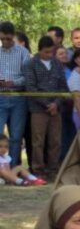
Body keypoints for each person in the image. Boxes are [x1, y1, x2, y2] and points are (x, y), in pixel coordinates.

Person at [22, 35, 68, 180]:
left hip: (56, 109)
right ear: (39, 50)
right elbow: (31, 88)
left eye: (51, 52)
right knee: (38, 141)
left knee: (55, 141)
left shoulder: (57, 64)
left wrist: (56, 103)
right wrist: (47, 104)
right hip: (38, 109)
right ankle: (38, 171)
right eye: (46, 52)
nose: (49, 55)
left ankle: (53, 170)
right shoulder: (30, 64)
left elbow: (63, 88)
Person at [0, 21, 31, 167]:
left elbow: (27, 77)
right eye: (2, 39)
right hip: (1, 97)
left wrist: (13, 82)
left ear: (13, 36)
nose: (5, 42)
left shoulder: (23, 52)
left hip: (18, 98)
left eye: (8, 38)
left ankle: (12, 168)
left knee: (16, 136)